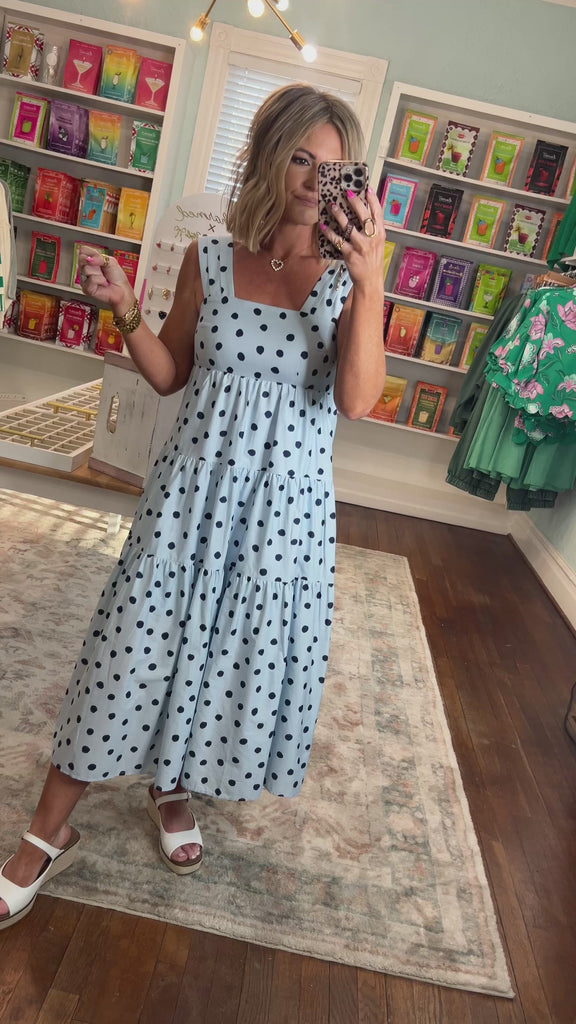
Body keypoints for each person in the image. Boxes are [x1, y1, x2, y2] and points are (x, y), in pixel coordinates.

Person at [0, 83, 386, 929]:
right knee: (128, 648)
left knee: (223, 660)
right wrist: (123, 309)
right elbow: (171, 372)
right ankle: (44, 833)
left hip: (281, 521)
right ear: (269, 157)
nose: (313, 181)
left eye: (331, 167)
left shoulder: (349, 281)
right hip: (186, 500)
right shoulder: (211, 259)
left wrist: (372, 279)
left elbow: (358, 400)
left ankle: (172, 789)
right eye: (299, 158)